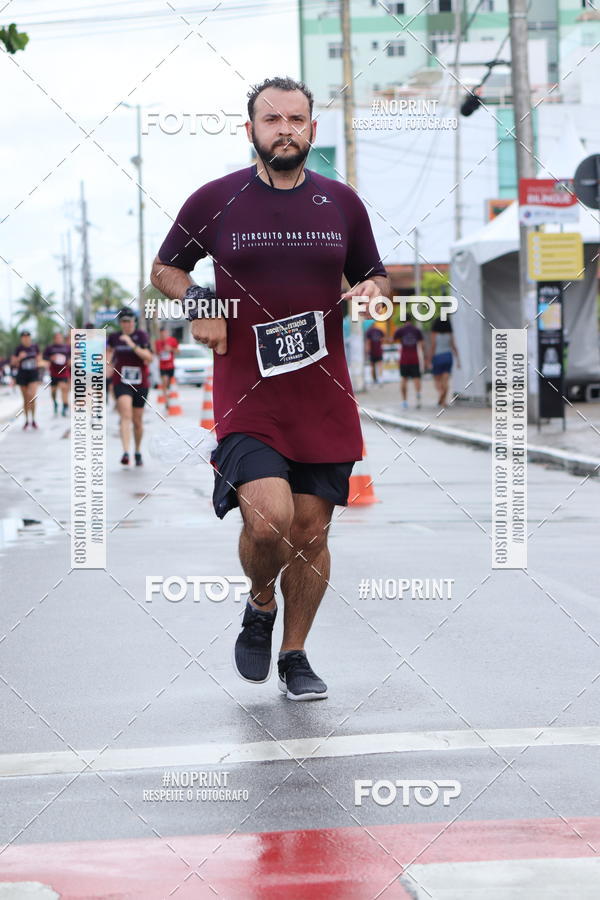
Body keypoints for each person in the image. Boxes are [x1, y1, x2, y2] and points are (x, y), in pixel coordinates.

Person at [151, 75, 391, 701]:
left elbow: (376, 276)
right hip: (248, 396)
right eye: (271, 119)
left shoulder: (341, 203)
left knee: (311, 532)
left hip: (322, 395)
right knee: (269, 521)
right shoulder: (215, 201)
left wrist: (372, 292)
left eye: (297, 119)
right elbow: (165, 270)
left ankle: (295, 654)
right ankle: (260, 604)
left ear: (313, 128)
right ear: (250, 129)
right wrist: (199, 298)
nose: (285, 128)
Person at [106, 308, 153, 466]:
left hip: (140, 382)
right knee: (125, 415)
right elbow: (108, 356)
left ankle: (137, 450)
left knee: (137, 421)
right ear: (120, 323)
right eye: (123, 321)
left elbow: (149, 358)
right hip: (121, 381)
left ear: (134, 322)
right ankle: (126, 452)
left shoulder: (141, 336)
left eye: (129, 321)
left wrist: (132, 345)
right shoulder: (114, 338)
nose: (126, 324)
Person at [11, 330, 43, 429]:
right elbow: (13, 362)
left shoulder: (35, 347)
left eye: (28, 337)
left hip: (33, 374)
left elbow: (40, 359)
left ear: (30, 337)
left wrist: (38, 360)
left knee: (32, 397)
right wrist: (19, 358)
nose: (26, 338)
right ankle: (26, 420)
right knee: (25, 399)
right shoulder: (18, 349)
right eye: (24, 337)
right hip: (22, 375)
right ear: (21, 339)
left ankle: (33, 419)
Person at [393, 311, 424, 409]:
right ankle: (418, 396)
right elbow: (422, 344)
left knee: (403, 380)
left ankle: (404, 401)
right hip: (415, 359)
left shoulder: (401, 330)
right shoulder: (416, 330)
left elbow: (392, 340)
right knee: (416, 379)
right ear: (411, 320)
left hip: (404, 359)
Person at [429, 316, 460, 408]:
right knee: (445, 381)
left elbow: (433, 346)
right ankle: (443, 401)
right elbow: (454, 346)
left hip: (438, 357)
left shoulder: (435, 334)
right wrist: (458, 360)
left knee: (437, 380)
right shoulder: (449, 334)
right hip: (448, 356)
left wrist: (429, 359)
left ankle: (441, 393)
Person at [43, 331, 71, 416]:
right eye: (57, 338)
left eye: (60, 337)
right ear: (54, 339)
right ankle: (55, 403)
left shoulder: (67, 347)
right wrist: (51, 358)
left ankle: (65, 407)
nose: (59, 339)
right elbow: (44, 357)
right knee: (53, 391)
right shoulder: (50, 348)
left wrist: (70, 361)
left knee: (64, 388)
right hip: (54, 372)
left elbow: (71, 356)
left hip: (64, 371)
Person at [154, 326, 179, 411]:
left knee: (170, 384)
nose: (163, 335)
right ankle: (166, 401)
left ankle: (171, 398)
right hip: (162, 366)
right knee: (164, 382)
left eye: (165, 333)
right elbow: (156, 353)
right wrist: (160, 352)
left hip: (171, 366)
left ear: (167, 333)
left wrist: (171, 349)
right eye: (162, 334)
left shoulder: (172, 340)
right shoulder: (157, 342)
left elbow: (178, 351)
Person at [365, 321, 385, 385]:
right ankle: (381, 379)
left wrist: (367, 350)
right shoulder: (379, 331)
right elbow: (382, 340)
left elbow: (368, 342)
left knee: (372, 366)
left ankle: (373, 380)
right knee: (380, 365)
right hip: (379, 350)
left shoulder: (369, 332)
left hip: (372, 351)